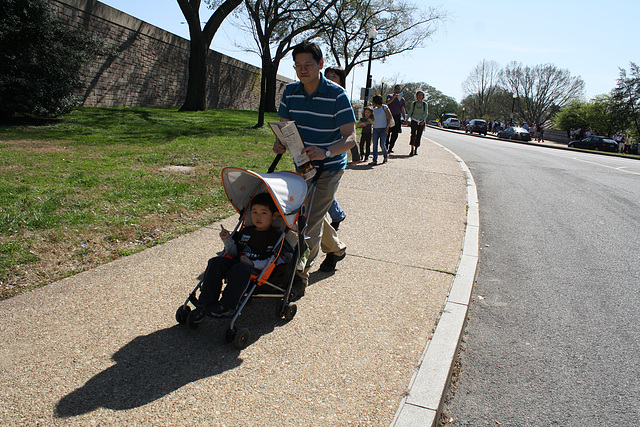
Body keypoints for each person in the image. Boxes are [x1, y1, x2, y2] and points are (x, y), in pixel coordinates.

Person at [273, 40, 356, 297]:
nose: (302, 70)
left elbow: (351, 137)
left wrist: (327, 151)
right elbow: (286, 126)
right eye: (298, 65)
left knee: (309, 221)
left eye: (308, 64)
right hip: (303, 166)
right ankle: (337, 249)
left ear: (320, 64)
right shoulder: (290, 91)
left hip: (330, 166)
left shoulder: (337, 94)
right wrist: (280, 142)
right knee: (309, 215)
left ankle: (300, 275)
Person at [191, 193, 282, 322]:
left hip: (254, 269)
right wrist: (227, 239)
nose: (258, 216)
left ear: (274, 216)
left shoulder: (274, 236)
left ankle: (226, 306)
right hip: (237, 263)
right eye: (254, 212)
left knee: (241, 269)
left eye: (263, 213)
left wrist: (251, 263)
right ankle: (206, 301)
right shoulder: (246, 232)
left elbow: (270, 261)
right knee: (215, 262)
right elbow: (234, 253)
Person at [325, 67, 360, 166]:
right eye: (327, 76)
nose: (330, 79)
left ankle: (356, 156)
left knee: (348, 136)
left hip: (340, 123)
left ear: (341, 81)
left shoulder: (341, 95)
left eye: (334, 77)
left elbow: (350, 136)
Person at [370, 94, 392, 165]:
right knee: (374, 145)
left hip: (383, 128)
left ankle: (385, 156)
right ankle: (374, 160)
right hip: (375, 128)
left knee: (382, 144)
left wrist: (387, 126)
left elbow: (389, 117)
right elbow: (374, 119)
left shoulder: (384, 107)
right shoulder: (375, 110)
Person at [385, 84, 406, 154]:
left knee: (395, 133)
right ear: (394, 89)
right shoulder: (390, 96)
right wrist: (394, 97)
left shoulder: (402, 99)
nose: (398, 90)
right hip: (389, 116)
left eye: (399, 89)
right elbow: (387, 102)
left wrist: (404, 118)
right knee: (387, 132)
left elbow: (403, 109)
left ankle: (391, 147)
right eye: (396, 88)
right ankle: (385, 146)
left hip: (397, 116)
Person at [407, 90, 428, 156]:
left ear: (423, 96)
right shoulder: (414, 103)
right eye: (419, 95)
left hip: (421, 121)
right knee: (413, 134)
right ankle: (412, 149)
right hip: (414, 120)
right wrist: (406, 119)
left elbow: (426, 113)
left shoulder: (425, 104)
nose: (420, 96)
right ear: (417, 96)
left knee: (419, 135)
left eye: (421, 95)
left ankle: (416, 148)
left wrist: (423, 120)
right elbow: (410, 111)